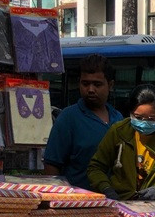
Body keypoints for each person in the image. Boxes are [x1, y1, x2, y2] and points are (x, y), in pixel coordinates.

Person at [86, 84, 155, 201]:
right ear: (131, 113)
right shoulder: (118, 132)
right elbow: (95, 167)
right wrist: (106, 188)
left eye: (152, 119)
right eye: (138, 117)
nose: (144, 123)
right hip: (120, 203)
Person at [44, 54, 123, 190]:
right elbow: (51, 165)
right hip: (77, 204)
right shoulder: (68, 118)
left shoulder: (118, 119)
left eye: (97, 84)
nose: (90, 89)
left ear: (110, 85)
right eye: (85, 84)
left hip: (114, 202)